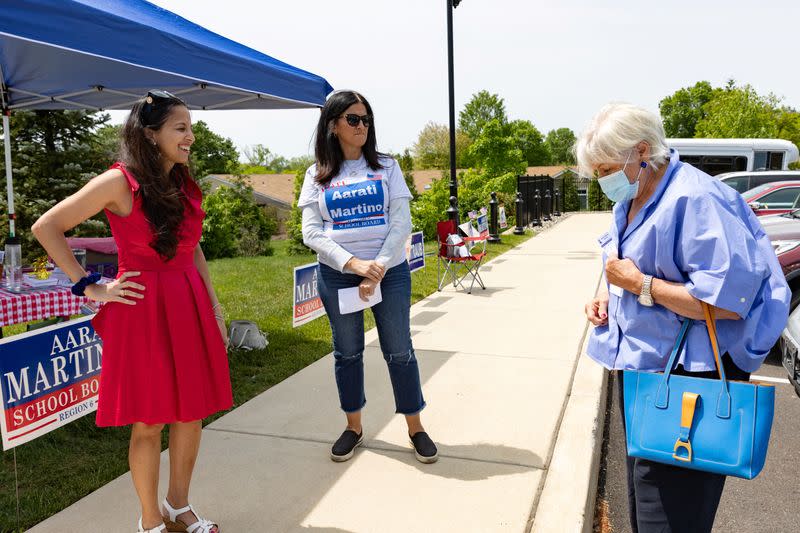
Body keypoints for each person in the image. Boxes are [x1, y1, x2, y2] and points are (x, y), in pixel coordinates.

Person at [576, 103, 790, 533]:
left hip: (691, 380)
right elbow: (629, 265)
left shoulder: (696, 198)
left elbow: (731, 301)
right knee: (645, 499)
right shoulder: (639, 195)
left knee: (669, 514)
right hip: (646, 373)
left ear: (641, 151)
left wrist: (640, 286)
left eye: (606, 168)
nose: (602, 180)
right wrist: (608, 294)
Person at [33, 90, 231, 533]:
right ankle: (148, 520)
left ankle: (179, 506)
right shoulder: (118, 182)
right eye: (181, 128)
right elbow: (46, 226)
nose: (190, 138)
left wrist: (214, 309)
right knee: (149, 419)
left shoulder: (180, 181)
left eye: (190, 128)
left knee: (190, 413)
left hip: (188, 302)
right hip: (141, 309)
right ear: (150, 134)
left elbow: (193, 248)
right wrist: (91, 286)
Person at [299, 90, 437, 463]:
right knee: (347, 353)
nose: (362, 126)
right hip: (338, 276)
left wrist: (376, 266)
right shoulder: (316, 174)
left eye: (366, 119)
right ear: (333, 125)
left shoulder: (387, 167)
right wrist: (353, 265)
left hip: (388, 275)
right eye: (353, 119)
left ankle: (415, 427)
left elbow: (400, 221)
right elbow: (311, 232)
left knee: (399, 351)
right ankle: (354, 427)